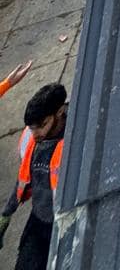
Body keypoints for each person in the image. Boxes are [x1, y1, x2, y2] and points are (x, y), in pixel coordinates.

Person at [0, 82, 66, 270]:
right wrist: (6, 214)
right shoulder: (30, 139)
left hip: (62, 221)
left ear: (60, 112)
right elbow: (23, 179)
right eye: (31, 128)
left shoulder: (74, 142)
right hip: (38, 221)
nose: (35, 134)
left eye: (41, 125)